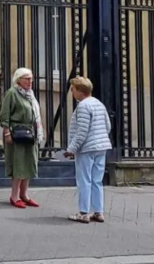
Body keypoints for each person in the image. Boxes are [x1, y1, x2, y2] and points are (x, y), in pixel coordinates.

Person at [64, 76, 113, 224]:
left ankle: (84, 213)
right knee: (97, 180)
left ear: (79, 91)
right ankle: (98, 211)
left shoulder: (84, 106)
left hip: (87, 148)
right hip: (101, 146)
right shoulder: (99, 104)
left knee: (84, 180)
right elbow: (108, 125)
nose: (72, 93)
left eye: (73, 90)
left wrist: (71, 149)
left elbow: (82, 131)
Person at [0, 67, 44, 208]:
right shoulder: (12, 93)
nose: (30, 81)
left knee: (30, 162)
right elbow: (4, 114)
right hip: (17, 133)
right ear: (18, 80)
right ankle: (14, 196)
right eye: (27, 78)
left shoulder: (29, 94)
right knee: (19, 164)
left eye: (31, 78)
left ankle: (25, 195)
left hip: (30, 134)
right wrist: (7, 133)